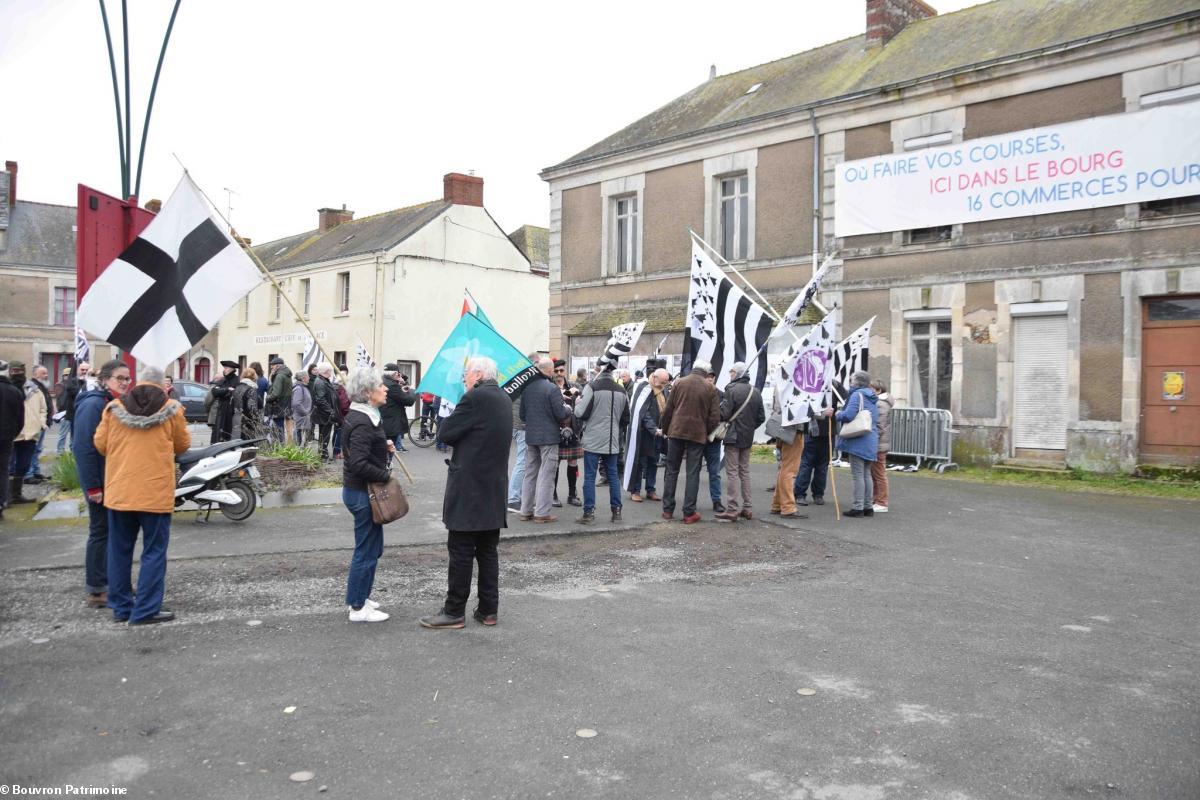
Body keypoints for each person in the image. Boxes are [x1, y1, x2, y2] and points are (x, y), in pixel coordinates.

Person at [93, 366, 190, 624]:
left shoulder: (114, 408)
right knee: (154, 552)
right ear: (164, 386)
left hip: (120, 491)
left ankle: (121, 607)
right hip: (154, 493)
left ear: (138, 383)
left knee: (119, 551)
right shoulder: (172, 410)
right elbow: (183, 446)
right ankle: (146, 609)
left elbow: (100, 445)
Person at [421, 356, 512, 629]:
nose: (463, 378)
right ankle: (488, 610)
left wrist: (457, 404)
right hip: (493, 488)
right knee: (487, 551)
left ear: (478, 374)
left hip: (470, 488)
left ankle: (454, 612)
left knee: (461, 550)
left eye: (466, 374)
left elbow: (446, 433)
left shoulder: (474, 398)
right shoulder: (504, 398)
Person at [340, 366, 397, 623]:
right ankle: (357, 606)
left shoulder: (367, 415)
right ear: (367, 393)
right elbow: (357, 463)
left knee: (374, 548)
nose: (385, 388)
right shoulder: (363, 421)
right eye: (380, 386)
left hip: (362, 492)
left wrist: (384, 447)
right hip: (362, 494)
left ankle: (361, 595)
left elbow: (361, 452)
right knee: (366, 550)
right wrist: (385, 476)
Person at [72, 359, 129, 605]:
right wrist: (93, 486)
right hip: (100, 482)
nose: (125, 382)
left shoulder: (112, 403)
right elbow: (83, 447)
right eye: (120, 378)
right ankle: (97, 589)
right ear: (105, 380)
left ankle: (110, 583)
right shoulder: (94, 404)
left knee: (110, 532)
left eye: (128, 378)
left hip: (112, 479)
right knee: (100, 532)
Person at [659, 360, 720, 524]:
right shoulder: (710, 388)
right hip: (697, 435)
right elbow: (715, 418)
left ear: (693, 368)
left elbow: (667, 410)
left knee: (671, 471)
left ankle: (667, 510)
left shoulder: (679, 383)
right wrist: (706, 433)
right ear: (706, 373)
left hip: (676, 431)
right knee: (693, 473)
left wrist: (665, 430)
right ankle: (688, 512)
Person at [573, 366, 629, 524]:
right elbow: (626, 418)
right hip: (612, 441)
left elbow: (581, 413)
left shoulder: (592, 387)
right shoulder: (621, 390)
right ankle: (616, 512)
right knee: (613, 476)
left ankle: (589, 513)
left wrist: (577, 403)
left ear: (597, 373)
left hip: (593, 440)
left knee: (590, 477)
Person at [518, 358, 569, 523]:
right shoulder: (552, 389)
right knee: (547, 475)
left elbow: (522, 416)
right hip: (549, 437)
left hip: (531, 436)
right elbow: (560, 414)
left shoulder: (527, 389)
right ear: (549, 371)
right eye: (554, 370)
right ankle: (542, 512)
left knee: (530, 474)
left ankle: (525, 511)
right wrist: (568, 408)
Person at [717, 362, 766, 522]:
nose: (730, 374)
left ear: (737, 374)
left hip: (732, 436)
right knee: (744, 472)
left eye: (731, 371)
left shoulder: (731, 390)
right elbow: (761, 418)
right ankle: (748, 507)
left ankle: (732, 509)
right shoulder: (756, 391)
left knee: (732, 473)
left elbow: (724, 414)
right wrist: (750, 428)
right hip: (747, 437)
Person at [835, 371, 880, 518]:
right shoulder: (872, 396)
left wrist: (836, 414)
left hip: (858, 440)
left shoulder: (857, 395)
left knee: (858, 475)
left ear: (857, 382)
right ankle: (868, 506)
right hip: (870, 439)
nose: (850, 382)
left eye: (852, 380)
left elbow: (848, 415)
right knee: (866, 474)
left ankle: (858, 507)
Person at [8, 362, 46, 505]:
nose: (16, 374)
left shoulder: (35, 390)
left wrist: (40, 423)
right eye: (13, 371)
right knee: (9, 466)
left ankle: (16, 494)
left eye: (19, 371)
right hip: (11, 434)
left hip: (30, 433)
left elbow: (43, 408)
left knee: (23, 465)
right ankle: (6, 496)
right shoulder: (7, 389)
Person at [628, 368, 668, 502]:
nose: (664, 385)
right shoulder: (644, 388)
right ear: (655, 378)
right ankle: (636, 490)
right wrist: (654, 429)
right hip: (644, 433)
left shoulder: (664, 390)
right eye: (662, 382)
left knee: (653, 462)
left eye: (666, 383)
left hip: (659, 434)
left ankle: (651, 490)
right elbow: (643, 413)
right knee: (640, 463)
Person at [507, 355, 538, 511]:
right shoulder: (526, 379)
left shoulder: (517, 378)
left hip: (515, 423)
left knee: (524, 462)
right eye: (537, 363)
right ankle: (513, 498)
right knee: (523, 462)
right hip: (521, 425)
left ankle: (520, 496)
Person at [794, 398, 836, 508]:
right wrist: (823, 413)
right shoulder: (812, 388)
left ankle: (817, 494)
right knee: (807, 464)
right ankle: (801, 493)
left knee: (821, 466)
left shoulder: (833, 387)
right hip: (812, 431)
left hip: (827, 433)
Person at [768, 402, 806, 519]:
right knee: (789, 470)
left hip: (783, 427)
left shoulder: (783, 385)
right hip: (793, 429)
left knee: (784, 467)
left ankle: (778, 504)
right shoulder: (798, 387)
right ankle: (788, 507)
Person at [0, 359, 25, 519]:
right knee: (2, 470)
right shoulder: (14, 391)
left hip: (7, 435)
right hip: (6, 437)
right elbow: (20, 419)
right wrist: (11, 434)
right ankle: (2, 502)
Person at [553, 373, 583, 507]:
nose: (559, 373)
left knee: (573, 462)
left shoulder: (574, 386)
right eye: (557, 370)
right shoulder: (550, 387)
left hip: (572, 430)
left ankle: (572, 494)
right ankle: (553, 495)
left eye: (561, 369)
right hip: (555, 430)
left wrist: (579, 398)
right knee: (555, 463)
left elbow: (583, 404)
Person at [23, 365, 53, 483]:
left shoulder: (42, 387)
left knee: (37, 450)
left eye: (46, 373)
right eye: (43, 373)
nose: (46, 375)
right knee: (31, 449)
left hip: (42, 423)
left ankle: (36, 472)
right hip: (35, 424)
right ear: (35, 375)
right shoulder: (31, 387)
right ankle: (29, 474)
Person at [700, 371, 725, 512]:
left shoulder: (721, 394)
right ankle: (691, 501)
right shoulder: (698, 393)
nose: (709, 380)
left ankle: (717, 500)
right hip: (697, 437)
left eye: (711, 378)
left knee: (714, 472)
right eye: (707, 378)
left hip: (713, 439)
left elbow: (726, 414)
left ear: (714, 379)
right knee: (693, 472)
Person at [380, 364, 416, 453]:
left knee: (385, 449)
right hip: (391, 423)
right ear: (395, 373)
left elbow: (395, 395)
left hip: (385, 420)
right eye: (398, 373)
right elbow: (409, 401)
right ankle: (387, 465)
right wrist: (412, 390)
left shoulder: (384, 381)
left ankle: (387, 464)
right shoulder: (392, 385)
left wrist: (401, 388)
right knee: (389, 450)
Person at [870, 379, 893, 513]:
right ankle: (876, 499)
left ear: (878, 390)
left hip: (878, 444)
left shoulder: (881, 404)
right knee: (875, 473)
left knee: (879, 474)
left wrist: (872, 440)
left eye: (872, 388)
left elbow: (879, 425)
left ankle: (881, 502)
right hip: (879, 443)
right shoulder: (881, 402)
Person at [57, 361, 88, 456]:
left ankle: (72, 452)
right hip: (66, 412)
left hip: (80, 414)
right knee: (64, 434)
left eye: (86, 370)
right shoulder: (64, 384)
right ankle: (60, 452)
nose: (84, 372)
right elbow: (62, 397)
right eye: (82, 370)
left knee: (74, 436)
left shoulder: (86, 382)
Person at [311, 364, 340, 460]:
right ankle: (323, 455)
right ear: (326, 372)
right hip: (324, 415)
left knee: (324, 435)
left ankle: (323, 454)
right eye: (330, 371)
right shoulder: (320, 382)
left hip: (326, 413)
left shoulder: (324, 380)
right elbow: (320, 399)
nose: (331, 373)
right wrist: (330, 411)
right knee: (324, 435)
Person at [209, 361, 241, 442]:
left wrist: (223, 391)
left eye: (226, 368)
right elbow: (214, 391)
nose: (224, 370)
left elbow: (233, 393)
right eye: (224, 368)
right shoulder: (223, 380)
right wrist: (226, 389)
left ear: (232, 369)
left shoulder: (236, 380)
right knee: (217, 431)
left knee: (227, 431)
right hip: (221, 409)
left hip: (230, 410)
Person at [264, 356, 293, 443]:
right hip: (284, 405)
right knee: (280, 428)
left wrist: (267, 398)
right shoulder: (286, 374)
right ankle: (280, 446)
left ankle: (278, 448)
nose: (271, 367)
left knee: (277, 430)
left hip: (277, 406)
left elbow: (275, 393)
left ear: (278, 366)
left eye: (272, 365)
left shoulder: (280, 376)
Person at [230, 367, 263, 441]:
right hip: (247, 421)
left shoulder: (237, 387)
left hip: (236, 420)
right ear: (254, 376)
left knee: (237, 443)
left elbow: (231, 404)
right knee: (248, 444)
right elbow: (252, 408)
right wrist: (257, 421)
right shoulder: (251, 389)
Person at [291, 370, 314, 445]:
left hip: (304, 418)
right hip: (300, 419)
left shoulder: (303, 387)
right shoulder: (299, 388)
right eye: (308, 376)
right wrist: (305, 412)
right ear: (303, 378)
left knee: (303, 442)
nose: (309, 378)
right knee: (299, 442)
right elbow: (296, 403)